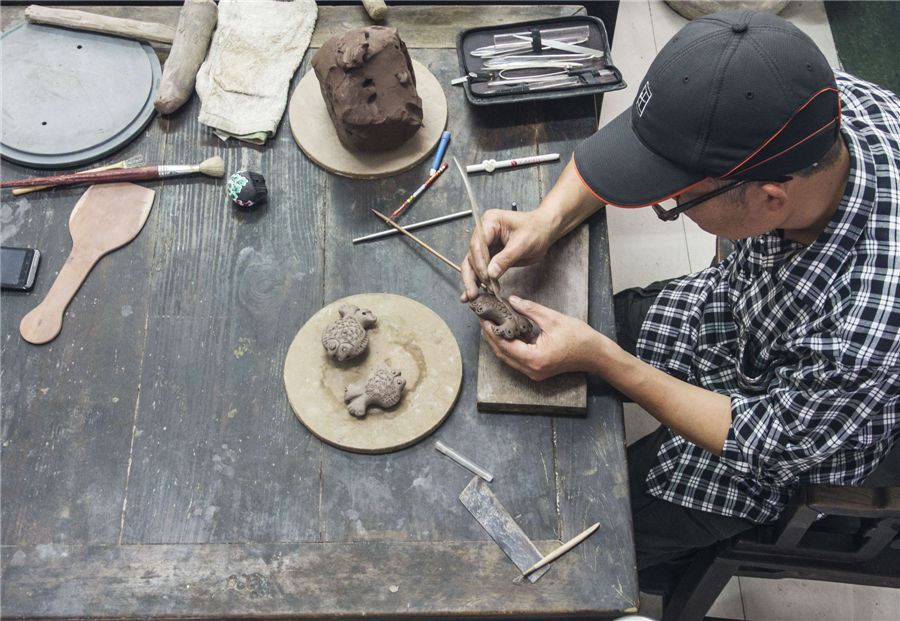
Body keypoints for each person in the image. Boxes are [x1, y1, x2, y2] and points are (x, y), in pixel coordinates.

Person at [460, 9, 900, 571]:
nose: (661, 203)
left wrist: (606, 360)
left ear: (770, 200)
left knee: (584, 547)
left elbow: (769, 442)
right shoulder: (810, 98)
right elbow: (645, 148)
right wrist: (548, 220)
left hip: (778, 436)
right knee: (549, 357)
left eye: (673, 201)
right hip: (725, 312)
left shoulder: (868, 333)